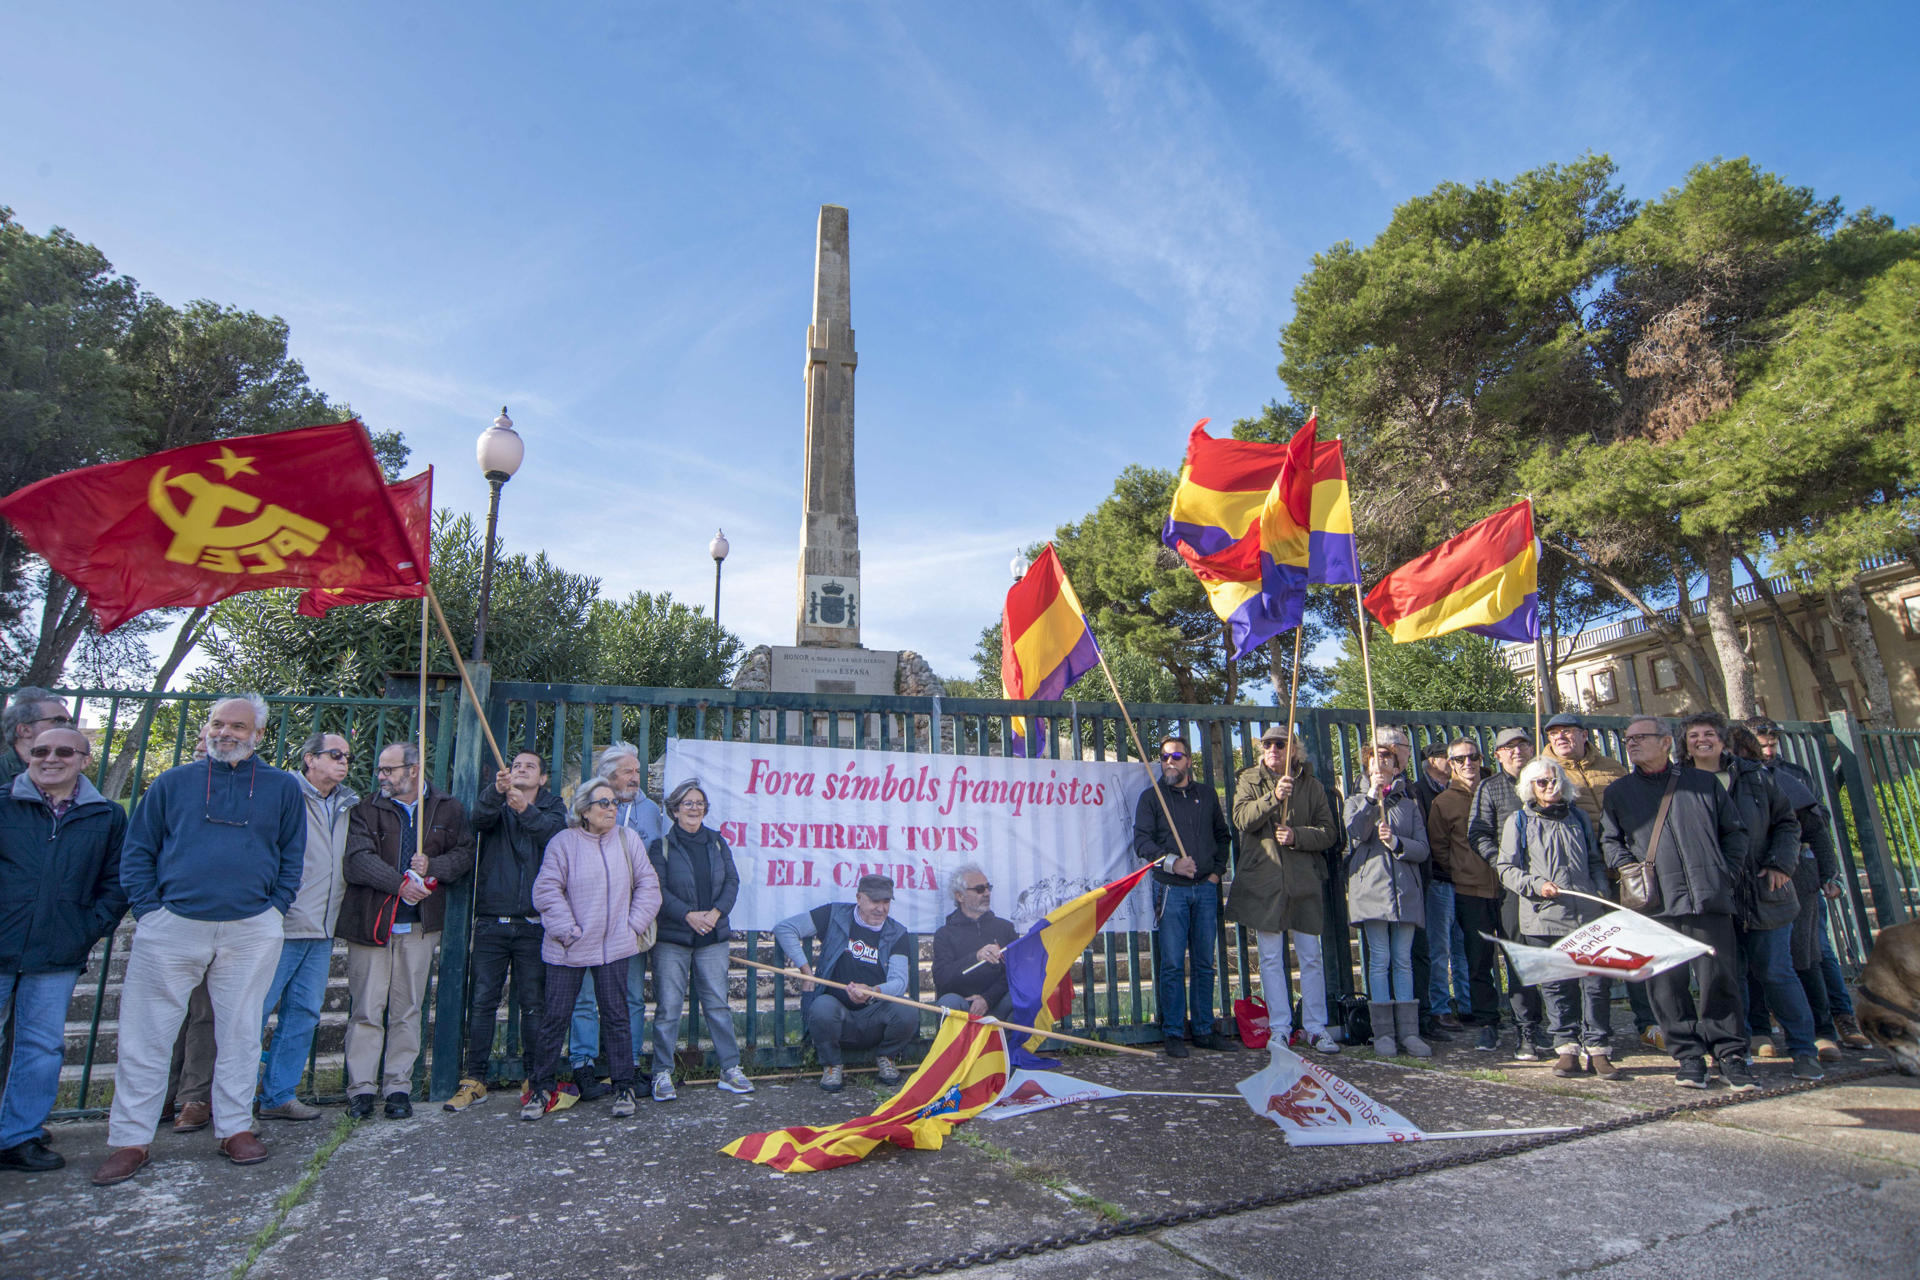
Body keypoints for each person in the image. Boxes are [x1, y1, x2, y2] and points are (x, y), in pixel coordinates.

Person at [93, 695, 304, 1186]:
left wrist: (275, 908)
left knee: (241, 1032)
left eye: (237, 725)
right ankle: (130, 1140)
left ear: (258, 734)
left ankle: (234, 1128)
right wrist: (150, 912)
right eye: (217, 722)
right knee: (146, 1035)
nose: (224, 731)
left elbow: (293, 854)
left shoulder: (280, 788)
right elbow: (138, 850)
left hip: (251, 928)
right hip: (172, 926)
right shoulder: (171, 783)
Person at [0, 725, 127, 1172]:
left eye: (63, 751)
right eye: (40, 750)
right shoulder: (4, 803)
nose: (50, 758)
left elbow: (116, 882)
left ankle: (17, 1137)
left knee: (42, 1046)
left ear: (84, 760)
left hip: (57, 950)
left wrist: (86, 928)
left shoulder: (106, 816)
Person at [1601, 716, 1751, 1090]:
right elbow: (1610, 841)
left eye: (1641, 738)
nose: (1631, 744)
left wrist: (1724, 875)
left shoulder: (1703, 784)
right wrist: (1626, 867)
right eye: (1628, 739)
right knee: (1667, 986)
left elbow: (1734, 834)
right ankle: (1687, 1058)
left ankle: (1730, 1055)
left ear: (1666, 742)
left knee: (1719, 980)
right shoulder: (1619, 791)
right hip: (1656, 905)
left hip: (1707, 899)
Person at [336, 742, 474, 1120]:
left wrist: (433, 868)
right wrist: (400, 883)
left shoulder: (448, 807)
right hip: (372, 923)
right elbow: (357, 860)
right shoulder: (366, 809)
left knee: (408, 1008)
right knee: (366, 1008)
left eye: (389, 770)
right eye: (381, 770)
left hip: (419, 926)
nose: (381, 776)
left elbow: (464, 854)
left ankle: (398, 1087)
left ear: (413, 770)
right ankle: (361, 1089)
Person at [1679, 713, 1819, 1082]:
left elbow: (1789, 823)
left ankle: (1804, 1050)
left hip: (1762, 891)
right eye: (1694, 735)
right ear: (1685, 743)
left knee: (1776, 971)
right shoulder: (1678, 781)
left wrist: (1781, 865)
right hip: (1712, 896)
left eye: (1710, 733)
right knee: (1727, 978)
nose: (1702, 740)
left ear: (1724, 740)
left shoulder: (1757, 776)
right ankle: (1734, 1052)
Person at [523, 777, 662, 1121]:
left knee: (616, 1017)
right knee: (555, 1017)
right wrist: (568, 931)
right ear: (584, 810)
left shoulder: (628, 840)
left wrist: (631, 926)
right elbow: (546, 891)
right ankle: (541, 1088)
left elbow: (648, 884)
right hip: (567, 948)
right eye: (604, 803)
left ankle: (624, 1087)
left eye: (615, 803)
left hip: (614, 946)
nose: (612, 808)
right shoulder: (564, 842)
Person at [446, 750, 567, 1113]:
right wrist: (494, 794)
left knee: (534, 1005)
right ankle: (475, 1077)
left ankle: (535, 1076)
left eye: (530, 766)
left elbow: (556, 837)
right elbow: (477, 820)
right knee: (483, 1002)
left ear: (543, 779)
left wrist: (524, 810)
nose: (521, 770)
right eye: (516, 766)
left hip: (534, 924)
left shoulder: (553, 806)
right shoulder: (496, 801)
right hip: (491, 921)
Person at [255, 732, 357, 1122]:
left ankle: (278, 1095)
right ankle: (234, 1100)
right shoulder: (283, 792)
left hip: (322, 927)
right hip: (280, 924)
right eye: (334, 754)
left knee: (303, 1015)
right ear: (309, 759)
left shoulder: (348, 803)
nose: (344, 762)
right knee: (254, 1014)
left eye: (347, 756)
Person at [1543, 711, 1660, 1051]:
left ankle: (1648, 1022)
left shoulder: (1612, 767)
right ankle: (1586, 1032)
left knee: (1633, 951)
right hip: (1578, 878)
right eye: (1554, 734)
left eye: (1568, 732)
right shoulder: (1543, 772)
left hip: (1624, 873)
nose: (1561, 738)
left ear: (1583, 735)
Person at [1746, 718, 1862, 1055]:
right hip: (1751, 883)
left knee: (1810, 954)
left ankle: (1827, 1026)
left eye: (1771, 744)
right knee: (1757, 958)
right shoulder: (1728, 782)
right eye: (1759, 745)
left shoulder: (1791, 776)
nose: (1766, 751)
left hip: (1798, 878)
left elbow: (1816, 827)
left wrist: (1829, 875)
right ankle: (1761, 1029)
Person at [1496, 759, 1616, 1079]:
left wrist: (1600, 890)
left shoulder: (1577, 817)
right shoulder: (1518, 821)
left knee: (1595, 984)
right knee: (1556, 986)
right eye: (1541, 783)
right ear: (1529, 788)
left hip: (1586, 914)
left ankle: (1599, 1048)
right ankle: (1566, 1047)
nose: (1550, 787)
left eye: (1554, 781)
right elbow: (1506, 869)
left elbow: (1594, 860)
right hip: (1544, 917)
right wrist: (1536, 885)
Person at [1228, 724, 1341, 1054]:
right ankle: (1279, 1028)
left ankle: (1315, 1027)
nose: (1272, 749)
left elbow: (1328, 833)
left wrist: (1298, 837)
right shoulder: (1249, 779)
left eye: (1280, 744)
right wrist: (1272, 796)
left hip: (1304, 880)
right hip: (1265, 881)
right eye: (1267, 744)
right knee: (1271, 958)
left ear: (1294, 750)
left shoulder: (1313, 786)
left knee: (1310, 957)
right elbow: (1241, 819)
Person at [567, 742, 665, 1098]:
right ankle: (584, 1064)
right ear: (609, 775)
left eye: (637, 771)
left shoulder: (651, 811)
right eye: (628, 771)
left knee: (632, 996)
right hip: (589, 923)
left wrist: (636, 922)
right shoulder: (584, 806)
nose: (635, 778)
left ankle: (631, 1063)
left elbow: (651, 873)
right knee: (586, 998)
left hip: (629, 925)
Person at [648, 778, 751, 1100]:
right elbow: (657, 890)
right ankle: (662, 1072)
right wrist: (688, 915)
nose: (694, 808)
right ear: (675, 810)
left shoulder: (718, 842)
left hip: (713, 936)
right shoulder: (660, 847)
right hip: (673, 938)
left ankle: (730, 1069)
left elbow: (732, 881)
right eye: (688, 803)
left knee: (718, 1006)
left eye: (699, 803)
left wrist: (716, 913)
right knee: (668, 1008)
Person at [1134, 734, 1236, 1056]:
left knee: (1205, 963)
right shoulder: (1151, 798)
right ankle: (1174, 1032)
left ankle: (1205, 1029)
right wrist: (1173, 863)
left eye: (1175, 757)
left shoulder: (1206, 795)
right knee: (1173, 964)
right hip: (1169, 889)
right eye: (1163, 757)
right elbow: (1142, 843)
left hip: (1205, 889)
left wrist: (1216, 873)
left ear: (1189, 760)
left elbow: (1223, 836)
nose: (1168, 762)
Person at [774, 875, 916, 1093]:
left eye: (886, 902)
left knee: (908, 1011)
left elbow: (899, 982)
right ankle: (831, 1065)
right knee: (822, 1008)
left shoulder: (897, 932)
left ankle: (886, 1056)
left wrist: (873, 991)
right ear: (859, 898)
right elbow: (785, 929)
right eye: (874, 901)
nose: (881, 908)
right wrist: (806, 971)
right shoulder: (834, 915)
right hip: (837, 1012)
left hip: (874, 1013)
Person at [1344, 750, 1430, 1057]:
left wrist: (1397, 843)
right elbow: (1355, 832)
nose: (1380, 766)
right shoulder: (1356, 800)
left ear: (1397, 767)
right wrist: (1370, 798)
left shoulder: (1409, 805)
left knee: (1403, 959)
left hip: (1405, 891)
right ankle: (1383, 1033)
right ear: (1366, 767)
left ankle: (1409, 1032)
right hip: (1371, 890)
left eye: (1387, 761)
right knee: (1379, 959)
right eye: (1374, 761)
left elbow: (1423, 848)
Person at [1470, 727, 1548, 1060]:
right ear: (1498, 754)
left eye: (1523, 744)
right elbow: (1478, 833)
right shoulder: (1489, 788)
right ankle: (1526, 1029)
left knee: (1557, 961)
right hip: (1513, 889)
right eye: (1508, 747)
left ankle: (1564, 1028)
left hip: (1553, 885)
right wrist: (1502, 865)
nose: (1517, 751)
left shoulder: (1546, 779)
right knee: (1519, 959)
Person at [1429, 737, 1504, 1049]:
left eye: (1473, 757)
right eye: (1460, 759)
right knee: (1477, 959)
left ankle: (1530, 1019)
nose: (1468, 763)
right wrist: (1462, 870)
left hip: (1508, 886)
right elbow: (1439, 847)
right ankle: (1487, 1020)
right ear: (1451, 763)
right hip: (1470, 889)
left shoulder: (1500, 789)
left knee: (1517, 955)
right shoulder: (1443, 802)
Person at [931, 863, 1017, 1021]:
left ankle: (1009, 1046)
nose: (986, 893)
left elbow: (1015, 973)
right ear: (960, 896)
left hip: (998, 1003)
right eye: (979, 889)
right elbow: (942, 979)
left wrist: (987, 999)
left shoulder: (1005, 928)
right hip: (963, 1005)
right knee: (948, 1003)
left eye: (988, 887)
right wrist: (975, 958)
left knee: (1021, 996)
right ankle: (957, 1046)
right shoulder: (945, 934)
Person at [0, 689, 73, 792]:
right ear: (25, 730)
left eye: (71, 722)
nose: (69, 727)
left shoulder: (70, 773)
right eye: (59, 721)